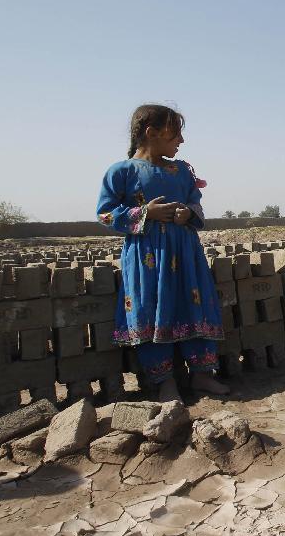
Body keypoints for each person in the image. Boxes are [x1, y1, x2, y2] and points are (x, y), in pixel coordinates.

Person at [97, 104, 230, 402]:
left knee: (193, 304)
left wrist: (187, 215)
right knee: (151, 308)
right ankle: (164, 381)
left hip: (186, 254)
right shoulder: (121, 172)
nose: (181, 141)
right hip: (148, 257)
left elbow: (196, 205)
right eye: (176, 134)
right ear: (152, 133)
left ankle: (202, 375)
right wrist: (146, 213)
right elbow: (105, 215)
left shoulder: (182, 170)